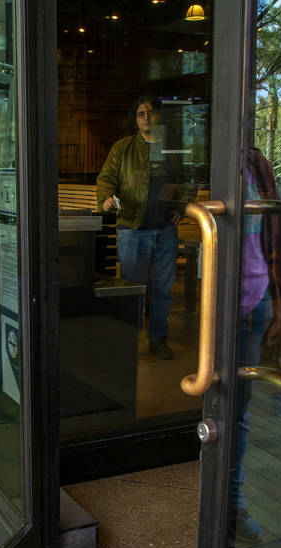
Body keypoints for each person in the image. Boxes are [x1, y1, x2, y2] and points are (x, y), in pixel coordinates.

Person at [230, 146, 281, 544]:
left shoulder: (256, 164)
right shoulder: (208, 157)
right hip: (216, 304)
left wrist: (280, 304)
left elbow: (276, 238)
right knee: (218, 403)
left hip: (254, 298)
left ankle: (233, 501)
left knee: (239, 410)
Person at [96, 95, 185, 360]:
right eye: (141, 113)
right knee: (133, 289)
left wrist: (181, 207)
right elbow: (106, 178)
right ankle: (128, 339)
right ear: (135, 119)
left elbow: (182, 181)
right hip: (133, 231)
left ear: (159, 116)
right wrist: (105, 199)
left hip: (166, 231)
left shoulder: (169, 149)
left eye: (151, 112)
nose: (146, 118)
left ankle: (158, 339)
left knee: (162, 290)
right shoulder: (123, 148)